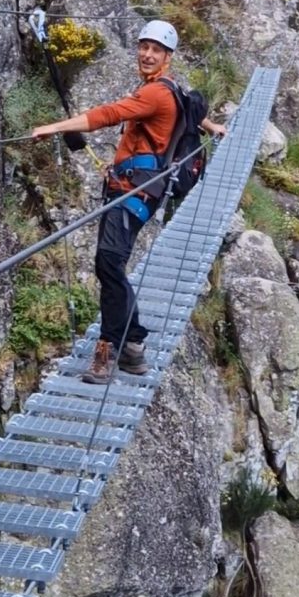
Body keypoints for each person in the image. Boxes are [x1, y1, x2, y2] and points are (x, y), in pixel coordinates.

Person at [32, 20, 227, 384]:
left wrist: (54, 127)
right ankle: (133, 346)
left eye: (156, 50)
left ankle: (109, 349)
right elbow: (191, 111)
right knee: (110, 265)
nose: (147, 55)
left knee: (109, 262)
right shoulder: (167, 88)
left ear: (168, 57)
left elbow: (109, 115)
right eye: (144, 47)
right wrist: (211, 127)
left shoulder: (154, 94)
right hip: (137, 189)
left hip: (132, 194)